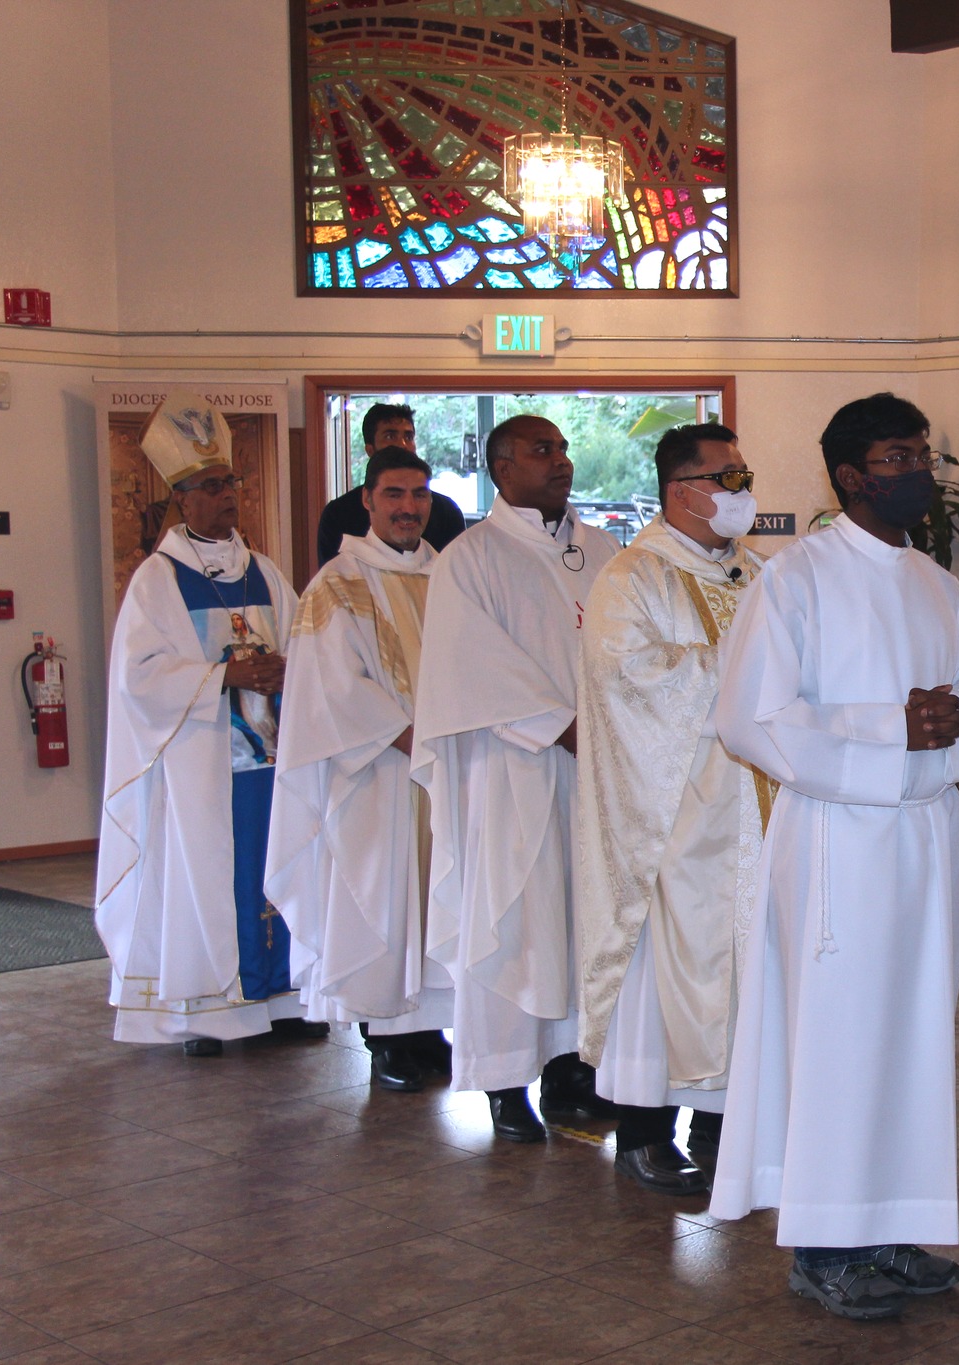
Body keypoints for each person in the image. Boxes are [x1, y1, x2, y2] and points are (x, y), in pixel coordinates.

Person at [709, 393, 959, 1321]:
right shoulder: (794, 579)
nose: (918, 469)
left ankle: (890, 1223)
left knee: (912, 1035)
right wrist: (891, 727)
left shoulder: (934, 582)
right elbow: (749, 717)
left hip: (920, 836)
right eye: (895, 455)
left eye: (922, 451)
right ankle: (826, 1244)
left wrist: (953, 730)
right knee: (838, 1039)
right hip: (837, 838)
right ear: (848, 476)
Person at [574, 422, 771, 1196]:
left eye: (743, 472)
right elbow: (629, 678)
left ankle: (724, 1130)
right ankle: (645, 1132)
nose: (741, 489)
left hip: (753, 812)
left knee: (750, 968)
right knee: (665, 967)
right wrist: (740, 666)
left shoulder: (755, 573)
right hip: (674, 816)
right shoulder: (634, 577)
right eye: (727, 476)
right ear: (681, 491)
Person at [411, 414, 620, 1141]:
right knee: (516, 917)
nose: (560, 461)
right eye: (541, 450)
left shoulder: (602, 551)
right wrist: (563, 727)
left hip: (597, 770)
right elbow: (474, 665)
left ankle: (572, 1070)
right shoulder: (470, 558)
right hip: (514, 770)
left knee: (582, 921)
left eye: (563, 448)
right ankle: (503, 1081)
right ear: (502, 469)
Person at [97, 390, 324, 1054]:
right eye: (212, 486)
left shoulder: (266, 571)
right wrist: (227, 674)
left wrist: (287, 665)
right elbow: (139, 678)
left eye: (231, 483)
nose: (228, 495)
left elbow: (305, 643)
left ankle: (280, 999)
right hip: (201, 769)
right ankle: (206, 1010)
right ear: (183, 499)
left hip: (270, 761)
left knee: (276, 868)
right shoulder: (157, 580)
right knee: (205, 881)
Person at [267, 446, 453, 1093]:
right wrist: (409, 736)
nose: (409, 506)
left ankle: (429, 1026)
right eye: (395, 493)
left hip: (446, 771)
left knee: (437, 897)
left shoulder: (452, 576)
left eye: (419, 493)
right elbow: (330, 687)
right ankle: (385, 1036)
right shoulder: (337, 584)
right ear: (368, 500)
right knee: (384, 895)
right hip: (376, 772)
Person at [315, 402, 466, 566]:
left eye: (408, 437)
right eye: (390, 436)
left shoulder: (446, 512)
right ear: (370, 449)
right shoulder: (339, 513)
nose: (402, 445)